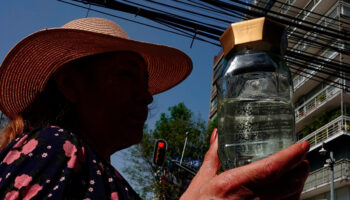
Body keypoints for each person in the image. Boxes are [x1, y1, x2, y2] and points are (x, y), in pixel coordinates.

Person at [0, 17, 309, 199]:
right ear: (70, 84)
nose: (147, 96)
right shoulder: (55, 147)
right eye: (125, 75)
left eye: (145, 81)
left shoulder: (96, 171)